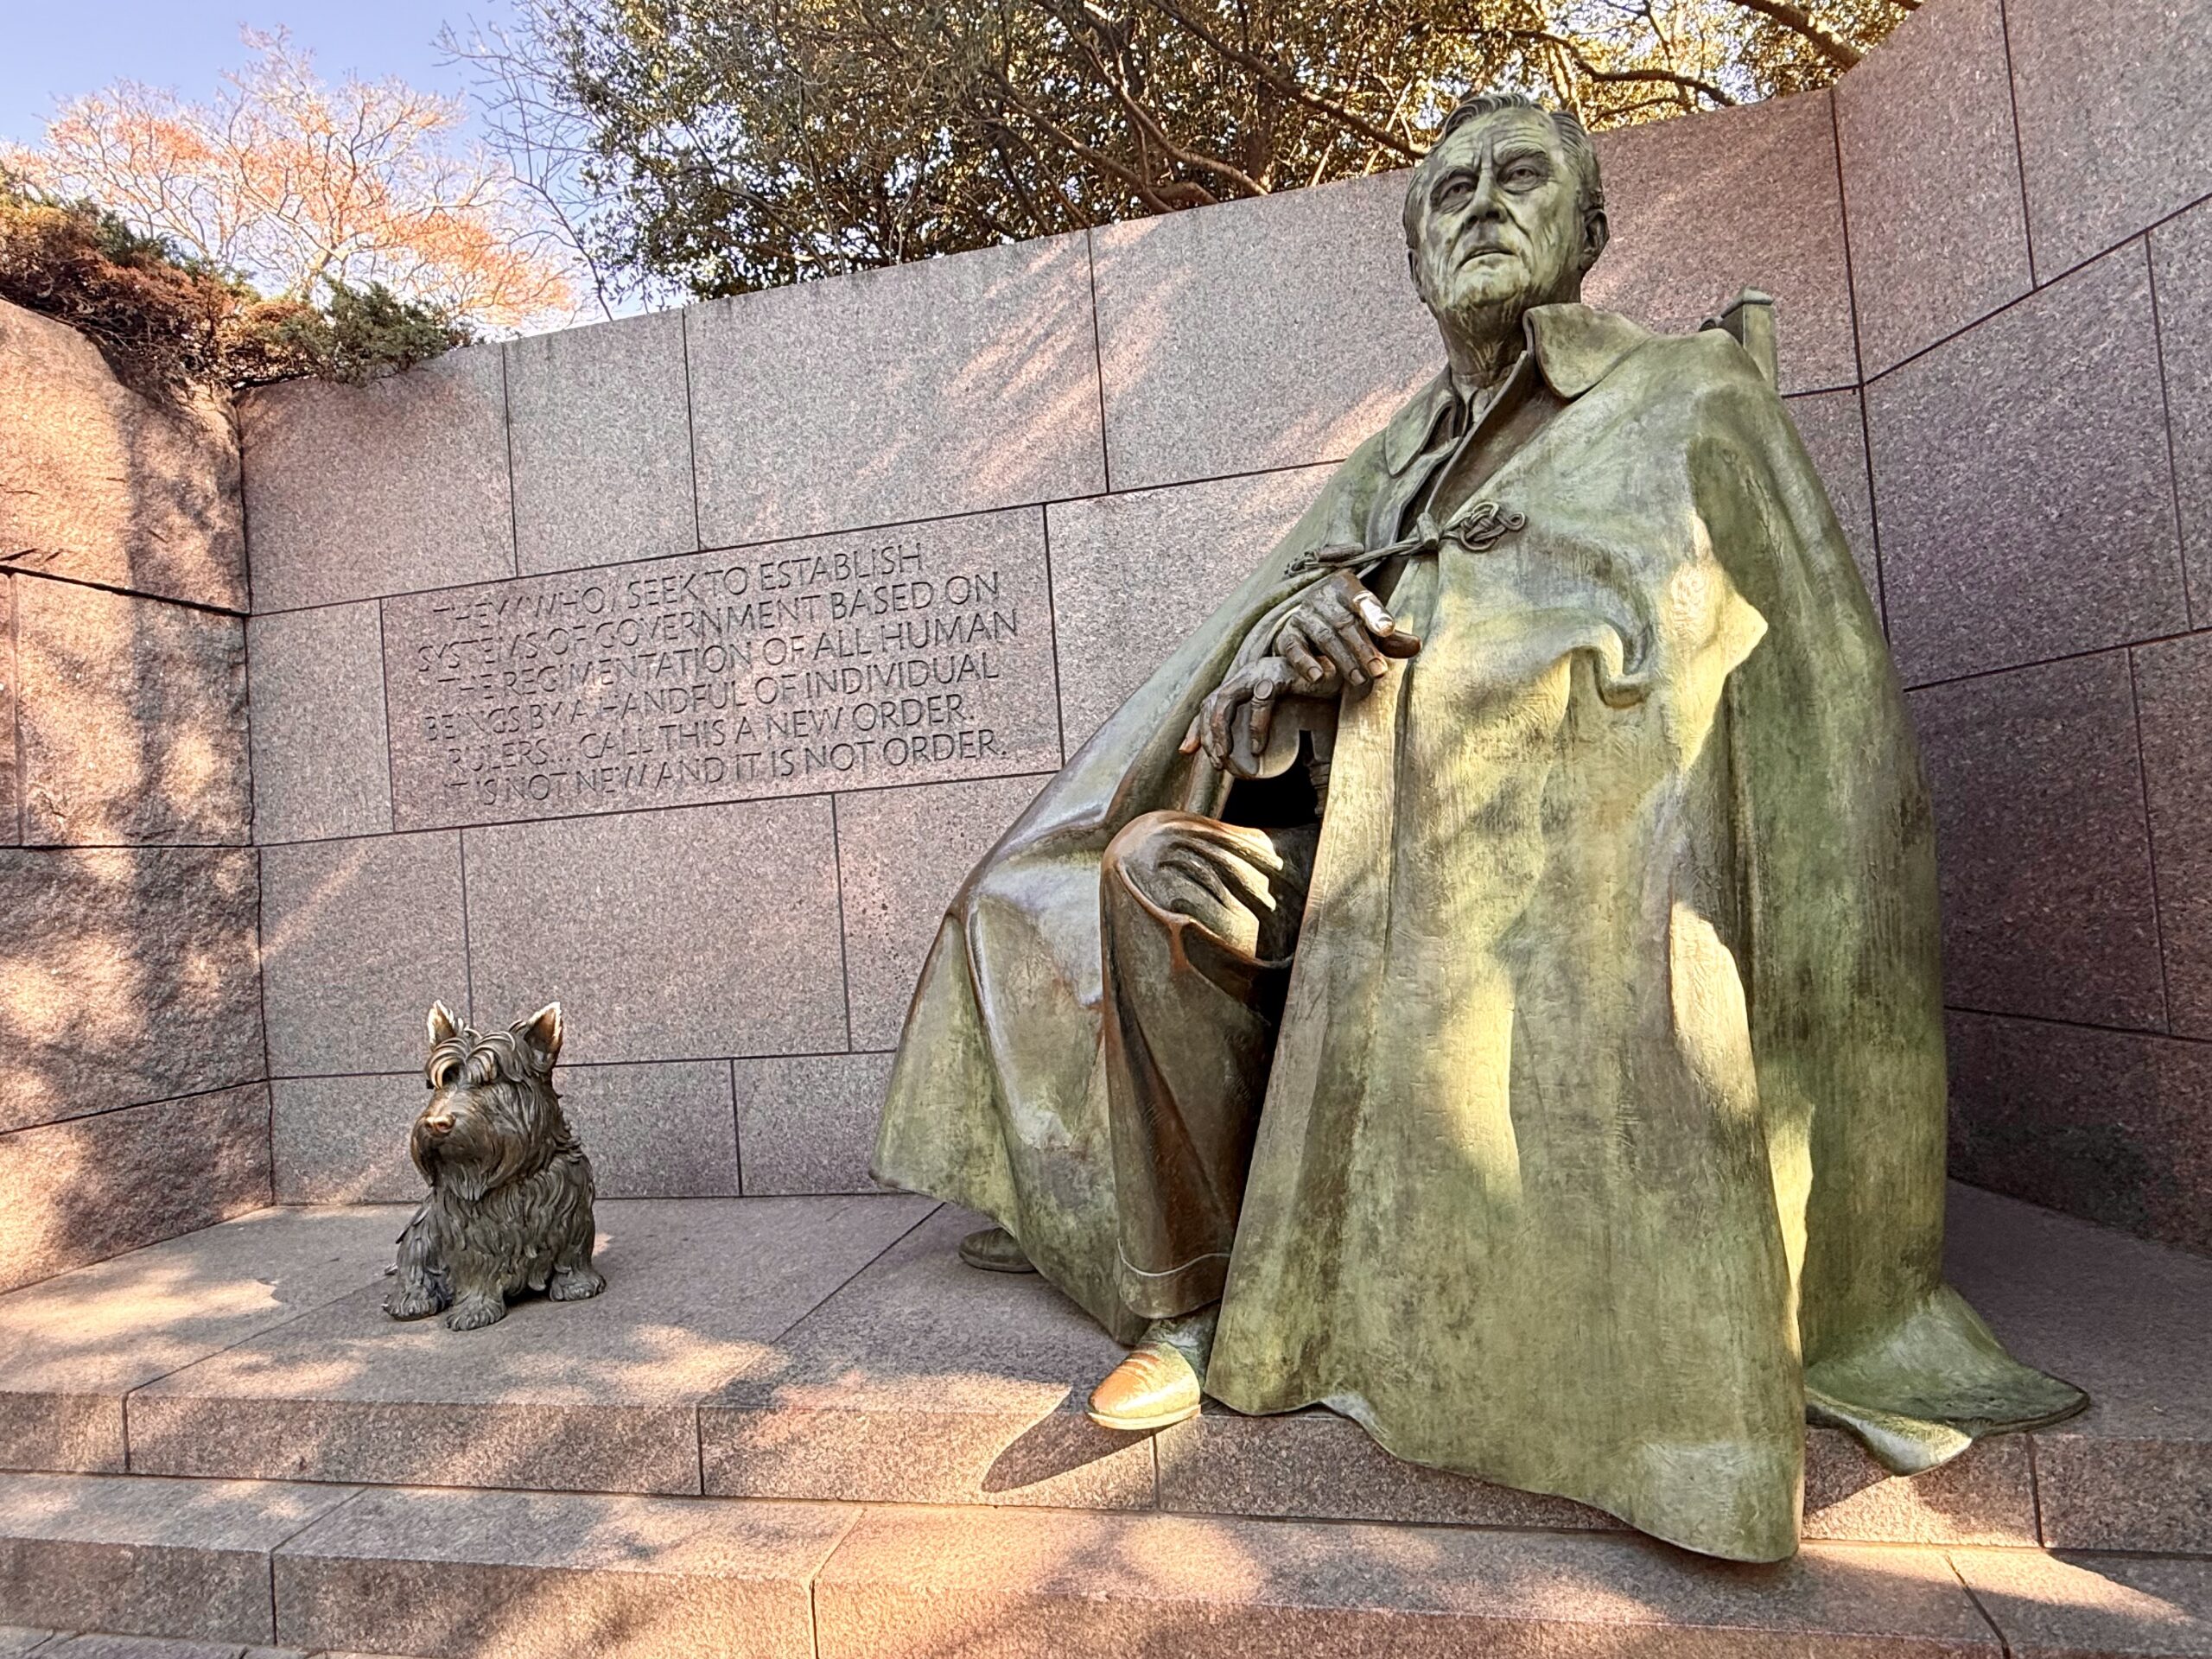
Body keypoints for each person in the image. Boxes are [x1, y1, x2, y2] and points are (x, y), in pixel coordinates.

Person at [872, 90, 2084, 1562]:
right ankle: (1185, 1304)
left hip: (1556, 904)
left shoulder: (1686, 396)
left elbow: (1782, 698)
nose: (1482, 206)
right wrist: (1283, 668)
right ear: (1416, 255)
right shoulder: (1392, 455)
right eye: (1448, 193)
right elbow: (1249, 675)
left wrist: (1460, 675)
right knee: (1145, 871)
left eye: (1523, 180)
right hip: (1346, 885)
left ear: (1590, 229)